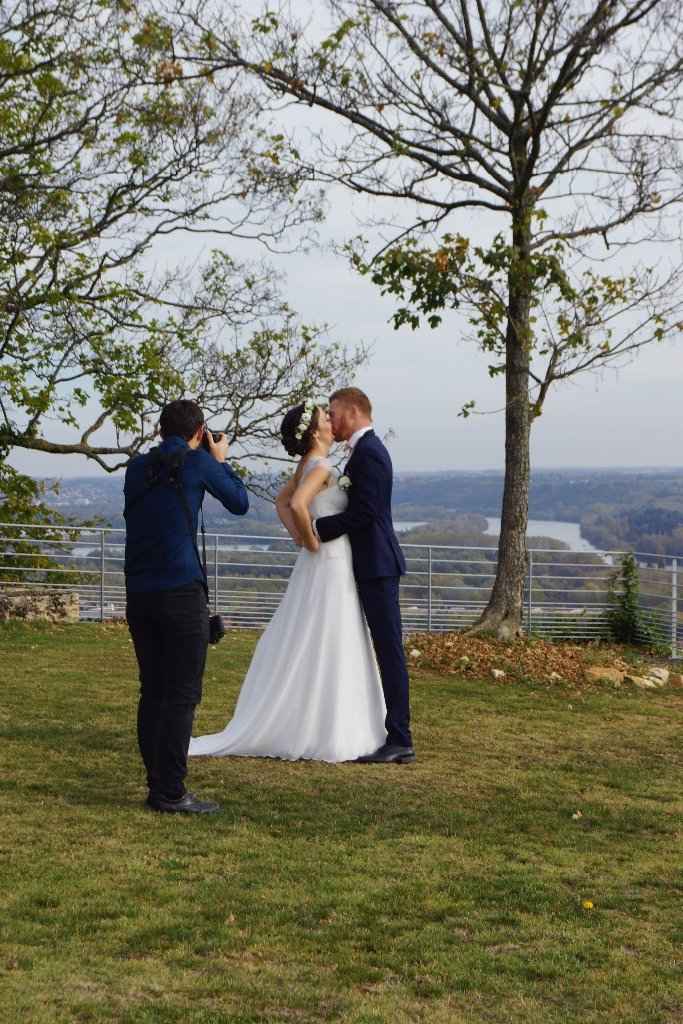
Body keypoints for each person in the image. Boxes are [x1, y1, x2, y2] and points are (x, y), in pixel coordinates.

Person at [189, 398, 387, 763]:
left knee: (320, 633)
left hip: (324, 561)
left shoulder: (306, 464)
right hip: (329, 560)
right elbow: (295, 504)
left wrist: (299, 537)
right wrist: (310, 541)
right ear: (315, 431)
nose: (331, 420)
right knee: (332, 634)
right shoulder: (321, 466)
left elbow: (282, 504)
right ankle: (330, 728)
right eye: (325, 417)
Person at [124, 399, 248, 814]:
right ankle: (171, 791)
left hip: (139, 591)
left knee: (153, 690)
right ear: (199, 432)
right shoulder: (198, 462)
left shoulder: (136, 468)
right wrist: (218, 459)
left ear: (161, 429)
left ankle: (157, 784)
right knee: (181, 694)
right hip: (180, 590)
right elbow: (239, 501)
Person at [314, 387, 414, 764]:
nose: (331, 419)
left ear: (353, 411)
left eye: (334, 412)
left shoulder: (370, 453)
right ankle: (389, 732)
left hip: (378, 565)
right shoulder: (362, 452)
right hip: (367, 564)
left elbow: (366, 514)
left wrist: (317, 529)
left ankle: (401, 738)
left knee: (389, 651)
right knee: (383, 650)